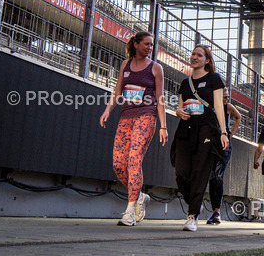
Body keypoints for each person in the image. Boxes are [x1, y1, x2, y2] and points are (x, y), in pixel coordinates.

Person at [99, 31, 167, 226]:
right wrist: (107, 110)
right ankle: (139, 197)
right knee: (118, 164)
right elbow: (118, 91)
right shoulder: (125, 65)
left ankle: (129, 212)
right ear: (136, 44)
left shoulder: (156, 68)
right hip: (125, 116)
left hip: (146, 115)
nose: (149, 48)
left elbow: (160, 98)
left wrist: (163, 126)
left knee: (134, 160)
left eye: (151, 45)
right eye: (146, 44)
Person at [171, 45, 229, 231]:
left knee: (199, 172)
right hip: (185, 130)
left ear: (207, 60)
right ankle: (195, 203)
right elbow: (180, 106)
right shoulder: (185, 82)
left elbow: (219, 106)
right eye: (193, 54)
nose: (195, 57)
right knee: (181, 172)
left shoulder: (214, 79)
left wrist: (223, 132)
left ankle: (192, 215)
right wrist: (178, 111)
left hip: (206, 129)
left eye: (199, 55)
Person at [205, 88, 242, 224]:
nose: (227, 99)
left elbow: (238, 117)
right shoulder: (211, 106)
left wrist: (231, 134)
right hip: (211, 143)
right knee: (211, 176)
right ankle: (214, 210)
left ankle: (217, 211)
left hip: (224, 145)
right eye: (225, 97)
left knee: (218, 175)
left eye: (228, 97)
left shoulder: (228, 107)